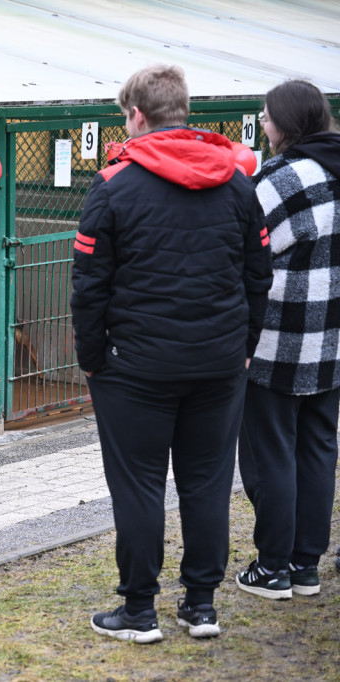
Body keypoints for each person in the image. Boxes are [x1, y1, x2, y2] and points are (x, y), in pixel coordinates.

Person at [70, 65, 272, 642]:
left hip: (134, 370)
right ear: (183, 111)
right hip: (218, 365)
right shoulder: (237, 184)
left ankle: (139, 610)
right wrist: (244, 348)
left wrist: (91, 357)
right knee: (207, 483)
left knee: (138, 484)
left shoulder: (113, 187)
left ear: (135, 115)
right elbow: (259, 275)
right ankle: (200, 604)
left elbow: (89, 286)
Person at [236, 80, 340, 600]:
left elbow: (248, 254)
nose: (264, 125)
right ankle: (306, 566)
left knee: (269, 451)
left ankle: (272, 567)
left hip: (278, 340)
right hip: (333, 344)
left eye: (267, 117)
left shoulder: (282, 178)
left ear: (288, 123)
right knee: (320, 448)